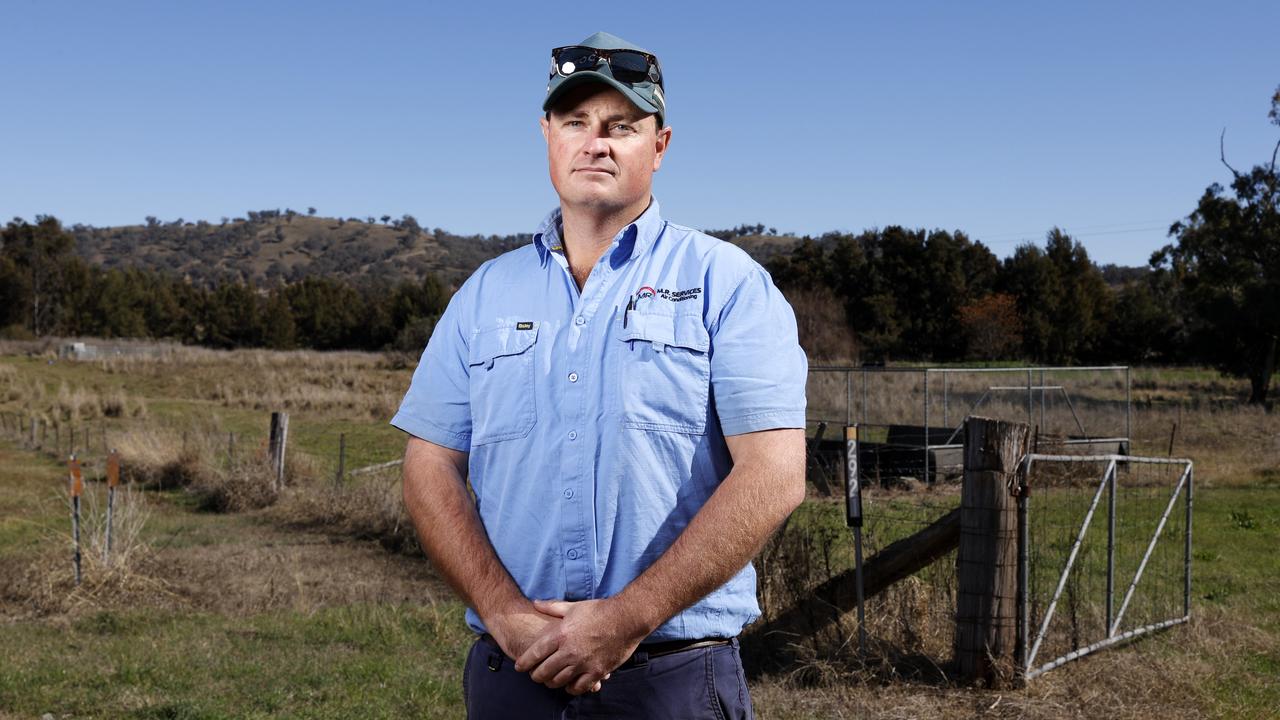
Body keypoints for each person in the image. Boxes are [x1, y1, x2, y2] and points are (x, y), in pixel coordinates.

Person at [392, 30, 807, 719]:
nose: (597, 142)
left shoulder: (726, 282)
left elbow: (774, 473)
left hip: (672, 677)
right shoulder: (486, 294)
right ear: (547, 134)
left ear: (660, 145)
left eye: (621, 126)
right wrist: (503, 612)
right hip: (512, 670)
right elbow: (428, 462)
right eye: (576, 122)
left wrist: (626, 619)